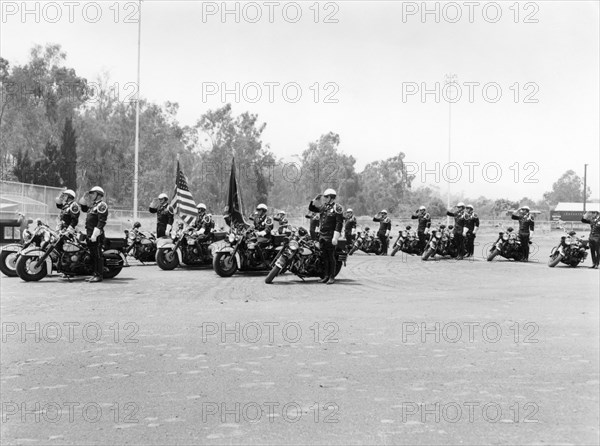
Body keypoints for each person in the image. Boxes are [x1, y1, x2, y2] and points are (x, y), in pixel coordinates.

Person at [308, 188, 344, 284]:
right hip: (322, 235)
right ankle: (326, 276)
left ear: (331, 197)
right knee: (324, 256)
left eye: (326, 197)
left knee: (331, 257)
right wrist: (314, 200)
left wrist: (335, 237)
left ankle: (332, 276)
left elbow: (339, 223)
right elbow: (312, 208)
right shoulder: (324, 207)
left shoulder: (337, 208)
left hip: (330, 235)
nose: (325, 198)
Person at [80, 186, 108, 282]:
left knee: (97, 255)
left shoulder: (101, 205)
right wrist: (84, 198)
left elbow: (101, 221)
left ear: (98, 195)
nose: (91, 195)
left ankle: (99, 275)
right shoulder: (93, 206)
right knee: (93, 255)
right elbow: (83, 208)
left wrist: (95, 235)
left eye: (93, 193)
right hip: (90, 234)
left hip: (96, 235)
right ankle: (94, 274)